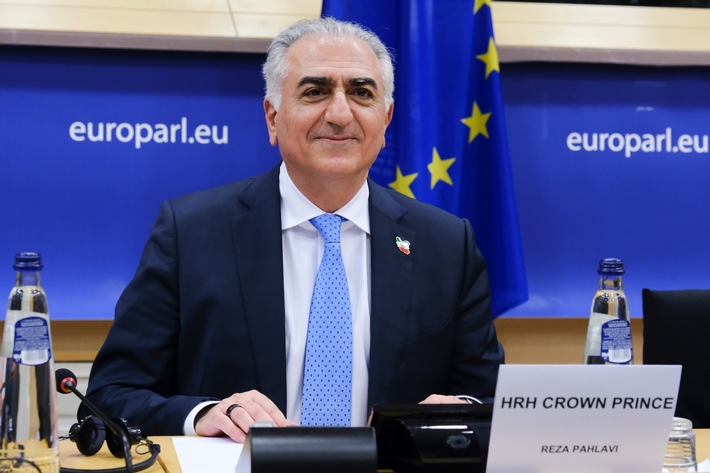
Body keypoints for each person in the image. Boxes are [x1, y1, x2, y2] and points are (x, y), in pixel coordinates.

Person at [82, 16, 504, 443]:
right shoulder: (190, 232)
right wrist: (203, 415)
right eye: (315, 91)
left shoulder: (446, 244)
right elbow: (109, 397)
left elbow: (492, 400)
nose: (340, 114)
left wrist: (463, 409)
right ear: (272, 117)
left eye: (361, 93)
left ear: (386, 120)